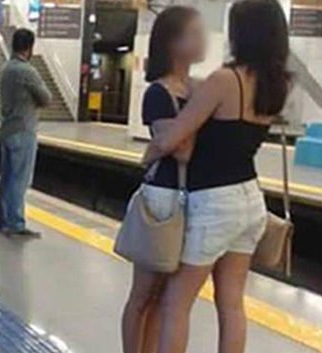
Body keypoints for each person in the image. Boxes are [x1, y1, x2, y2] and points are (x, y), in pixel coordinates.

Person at [142, 1, 291, 352]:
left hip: (214, 202)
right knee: (232, 303)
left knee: (174, 304)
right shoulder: (276, 85)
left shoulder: (225, 80)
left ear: (242, 33)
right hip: (251, 202)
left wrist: (148, 154)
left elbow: (173, 137)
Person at [121, 6, 205, 353]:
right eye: (195, 34)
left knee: (163, 297)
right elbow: (182, 151)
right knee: (142, 294)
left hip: (190, 198)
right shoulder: (157, 93)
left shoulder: (199, 88)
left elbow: (178, 142)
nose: (203, 41)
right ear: (172, 43)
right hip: (162, 200)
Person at [0, 28, 52, 238]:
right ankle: (16, 223)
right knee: (19, 180)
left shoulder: (5, 68)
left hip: (7, 129)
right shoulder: (26, 71)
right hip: (23, 130)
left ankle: (4, 221)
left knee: (7, 178)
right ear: (29, 47)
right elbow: (46, 98)